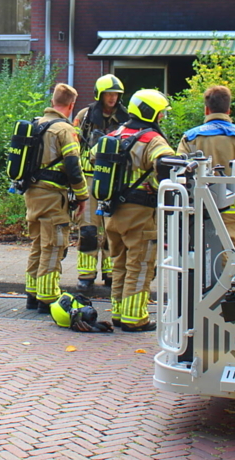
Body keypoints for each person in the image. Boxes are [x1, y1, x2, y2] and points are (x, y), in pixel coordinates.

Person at [100, 88, 175, 332]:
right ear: (150, 111)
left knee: (119, 263)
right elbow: (166, 165)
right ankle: (135, 318)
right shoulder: (152, 138)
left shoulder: (116, 133)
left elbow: (93, 156)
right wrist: (157, 188)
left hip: (112, 211)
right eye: (160, 113)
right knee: (140, 264)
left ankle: (120, 314)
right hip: (140, 213)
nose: (162, 117)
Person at [24, 83, 89, 314]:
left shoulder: (35, 125)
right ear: (71, 105)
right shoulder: (64, 129)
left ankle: (32, 294)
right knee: (53, 246)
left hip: (32, 194)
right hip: (52, 196)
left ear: (53, 102)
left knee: (39, 245)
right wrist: (82, 196)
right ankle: (47, 297)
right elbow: (73, 165)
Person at [177, 85, 235, 252]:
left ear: (207, 110)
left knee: (199, 261)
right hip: (234, 210)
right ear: (229, 110)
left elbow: (179, 171)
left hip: (198, 209)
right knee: (232, 260)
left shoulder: (190, 137)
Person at [72, 73, 129, 291]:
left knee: (112, 231)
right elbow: (73, 145)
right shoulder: (85, 116)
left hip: (115, 180)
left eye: (116, 94)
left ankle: (111, 273)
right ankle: (86, 275)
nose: (112, 98)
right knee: (88, 230)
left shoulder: (126, 118)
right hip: (89, 177)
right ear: (100, 95)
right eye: (108, 94)